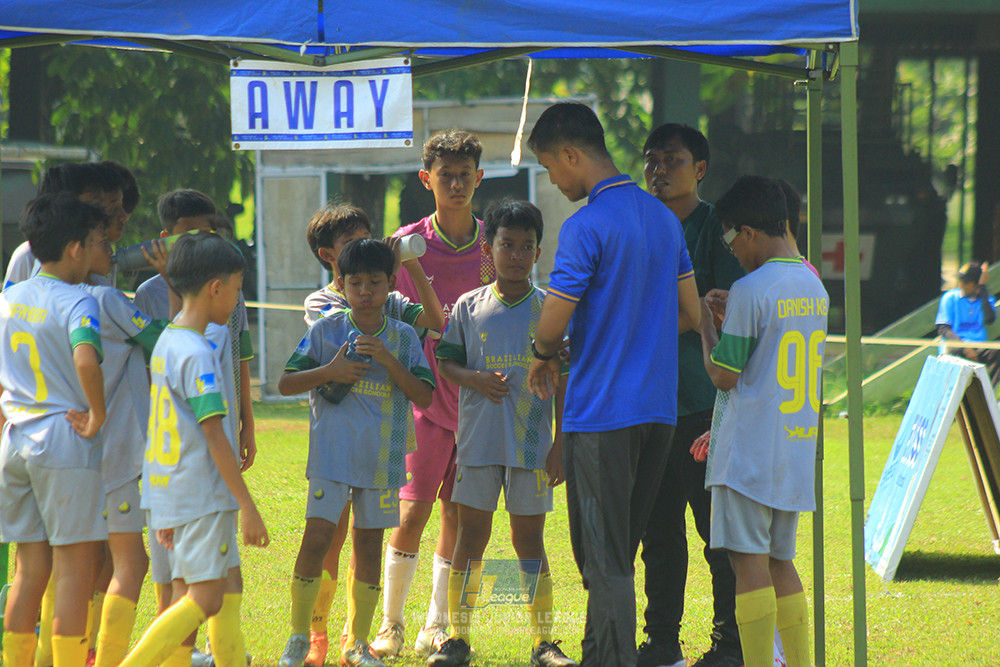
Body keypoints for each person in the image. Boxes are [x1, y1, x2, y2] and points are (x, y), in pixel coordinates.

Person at [525, 102, 700, 667]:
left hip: (602, 414)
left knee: (604, 560)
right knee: (619, 554)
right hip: (659, 412)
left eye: (552, 166)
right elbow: (690, 312)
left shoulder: (586, 225)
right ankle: (599, 655)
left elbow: (553, 316)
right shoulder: (664, 219)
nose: (553, 179)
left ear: (571, 154)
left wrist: (542, 352)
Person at [428, 200, 575, 667]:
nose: (515, 254)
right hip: (478, 442)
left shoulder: (550, 310)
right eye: (506, 244)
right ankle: (458, 639)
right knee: (471, 536)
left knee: (528, 539)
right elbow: (446, 363)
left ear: (537, 252)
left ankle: (543, 642)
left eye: (525, 246)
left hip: (532, 445)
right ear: (489, 250)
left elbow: (565, 380)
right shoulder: (470, 307)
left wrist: (561, 443)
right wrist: (473, 378)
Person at [300, 202, 445, 665]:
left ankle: (353, 635)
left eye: (370, 244)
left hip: (379, 447)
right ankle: (314, 632)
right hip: (336, 444)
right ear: (331, 260)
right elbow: (335, 341)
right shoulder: (325, 304)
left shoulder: (391, 301)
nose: (365, 255)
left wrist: (408, 265)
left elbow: (436, 321)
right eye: (350, 250)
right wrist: (378, 284)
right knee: (328, 538)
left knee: (366, 540)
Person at [371, 130, 495, 659]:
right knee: (412, 512)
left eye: (466, 173)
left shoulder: (496, 244)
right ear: (428, 180)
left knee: (459, 515)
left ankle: (436, 625)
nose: (457, 183)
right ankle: (390, 623)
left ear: (479, 178)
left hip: (478, 400)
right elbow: (396, 321)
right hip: (424, 400)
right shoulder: (405, 245)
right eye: (446, 175)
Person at [121, 232, 270, 667]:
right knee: (203, 598)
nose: (239, 301)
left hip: (170, 489)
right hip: (201, 495)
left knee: (226, 585)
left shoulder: (167, 338)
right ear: (216, 288)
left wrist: (164, 506)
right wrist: (248, 505)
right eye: (239, 290)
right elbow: (213, 434)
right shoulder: (199, 353)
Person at [698, 175, 827, 667]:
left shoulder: (750, 287)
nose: (731, 251)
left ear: (748, 231)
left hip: (747, 450)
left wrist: (706, 328)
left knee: (746, 563)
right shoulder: (813, 285)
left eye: (730, 239)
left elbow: (724, 375)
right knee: (780, 561)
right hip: (792, 446)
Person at [638, 124, 744, 667]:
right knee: (657, 532)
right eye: (651, 160)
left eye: (672, 160)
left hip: (706, 404)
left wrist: (684, 312)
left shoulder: (714, 232)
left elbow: (718, 307)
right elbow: (691, 307)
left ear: (699, 168)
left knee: (716, 532)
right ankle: (660, 643)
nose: (659, 169)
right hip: (648, 403)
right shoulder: (639, 226)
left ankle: (729, 644)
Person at [0, 193, 108, 667]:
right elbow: (85, 357)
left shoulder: (9, 297)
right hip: (63, 439)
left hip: (16, 439)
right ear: (75, 248)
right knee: (73, 571)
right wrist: (98, 412)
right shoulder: (79, 300)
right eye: (98, 242)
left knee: (29, 569)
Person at [79, 235, 168, 667]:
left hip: (65, 450)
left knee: (77, 561)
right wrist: (175, 279)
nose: (114, 247)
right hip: (114, 448)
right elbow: (166, 341)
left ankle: (77, 651)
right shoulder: (107, 299)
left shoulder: (32, 298)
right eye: (104, 240)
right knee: (131, 563)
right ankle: (107, 658)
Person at [3, 161, 129, 291]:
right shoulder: (28, 255)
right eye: (94, 205)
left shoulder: (100, 269)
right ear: (61, 207)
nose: (100, 214)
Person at [935, 261, 999, 382]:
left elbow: (989, 319)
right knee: (953, 352)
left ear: (976, 284)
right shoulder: (949, 297)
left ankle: (985, 392)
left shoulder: (985, 299)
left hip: (978, 346)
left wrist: (983, 289)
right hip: (956, 345)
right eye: (960, 280)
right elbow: (943, 329)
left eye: (965, 282)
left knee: (996, 352)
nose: (961, 284)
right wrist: (965, 348)